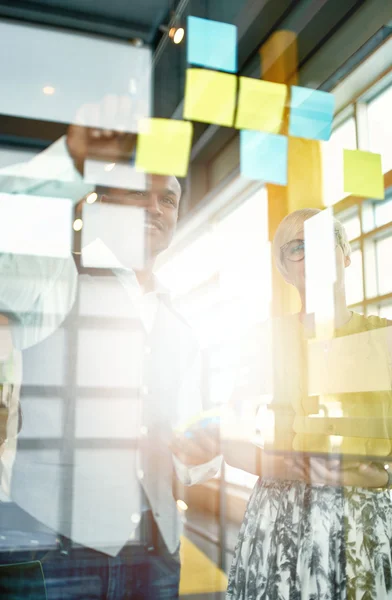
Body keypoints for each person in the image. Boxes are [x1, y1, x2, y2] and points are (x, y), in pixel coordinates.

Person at [0, 124, 222, 599]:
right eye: (140, 193)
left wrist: (202, 455)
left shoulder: (180, 325)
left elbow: (188, 438)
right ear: (104, 202)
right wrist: (71, 157)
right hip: (54, 545)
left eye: (168, 200)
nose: (155, 208)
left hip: (157, 553)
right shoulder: (56, 276)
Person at [225, 208, 392, 599]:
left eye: (321, 240)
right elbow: (229, 441)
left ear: (345, 254)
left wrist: (382, 477)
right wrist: (294, 467)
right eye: (297, 247)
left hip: (366, 521)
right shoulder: (264, 340)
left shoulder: (385, 340)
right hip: (280, 523)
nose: (311, 252)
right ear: (285, 269)